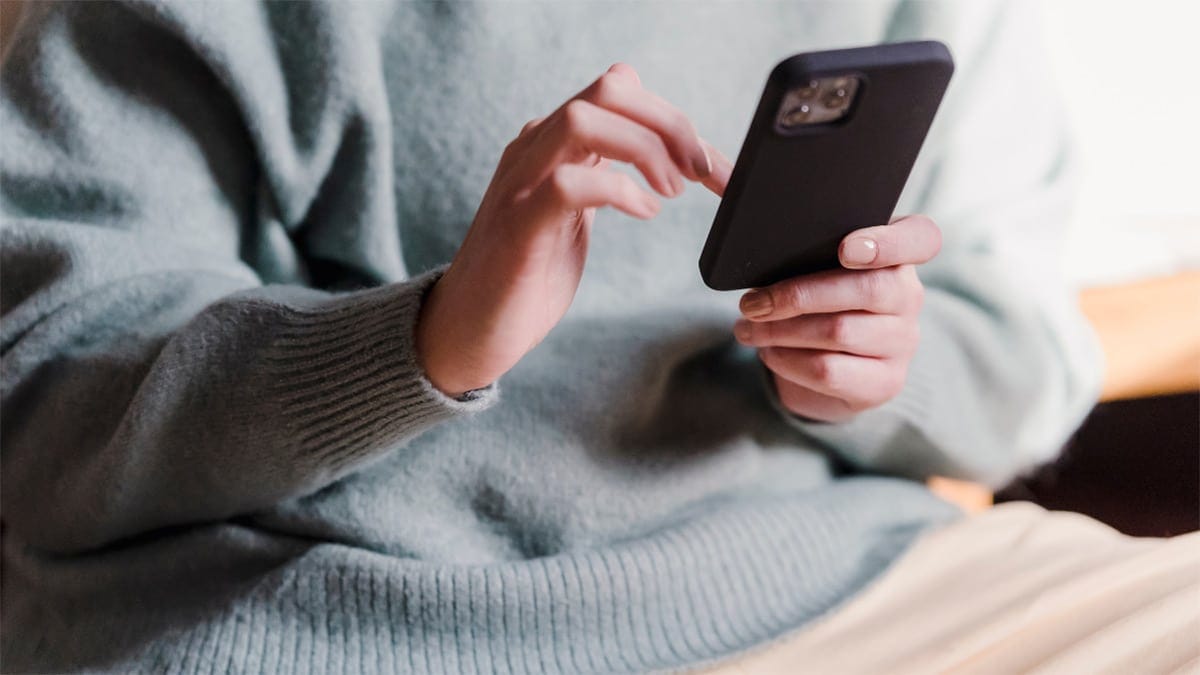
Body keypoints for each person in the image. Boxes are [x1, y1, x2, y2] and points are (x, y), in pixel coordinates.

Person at [1, 1, 1195, 673]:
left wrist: (881, 369)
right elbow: (45, 414)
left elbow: (1027, 365)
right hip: (331, 618)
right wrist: (425, 340)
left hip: (843, 579)